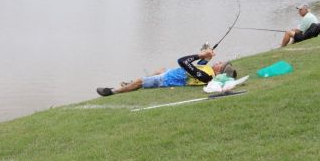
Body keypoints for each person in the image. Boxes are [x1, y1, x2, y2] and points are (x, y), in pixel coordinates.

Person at [96, 49, 237, 97]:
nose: (218, 62)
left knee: (141, 81)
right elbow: (199, 65)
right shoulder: (207, 71)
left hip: (166, 80)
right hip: (170, 73)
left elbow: (182, 61)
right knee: (160, 69)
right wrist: (207, 55)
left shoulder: (207, 77)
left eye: (220, 63)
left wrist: (200, 55)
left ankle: (113, 92)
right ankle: (131, 84)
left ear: (220, 69)